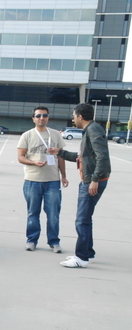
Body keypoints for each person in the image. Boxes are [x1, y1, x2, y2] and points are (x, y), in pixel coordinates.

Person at [48, 103, 111, 268]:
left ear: (81, 117)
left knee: (81, 220)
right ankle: (88, 253)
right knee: (85, 219)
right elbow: (83, 157)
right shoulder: (90, 130)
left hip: (92, 181)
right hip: (89, 179)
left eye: (74, 116)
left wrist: (94, 180)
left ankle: (81, 257)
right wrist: (59, 152)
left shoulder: (93, 130)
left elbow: (102, 156)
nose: (73, 118)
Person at [17, 106, 68, 253]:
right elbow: (20, 157)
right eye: (38, 116)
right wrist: (33, 163)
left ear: (48, 117)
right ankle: (31, 240)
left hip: (52, 180)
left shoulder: (56, 135)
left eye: (44, 115)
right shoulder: (27, 135)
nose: (41, 118)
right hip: (32, 180)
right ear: (33, 118)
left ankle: (54, 242)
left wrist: (63, 176)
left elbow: (61, 156)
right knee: (33, 212)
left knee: (53, 213)